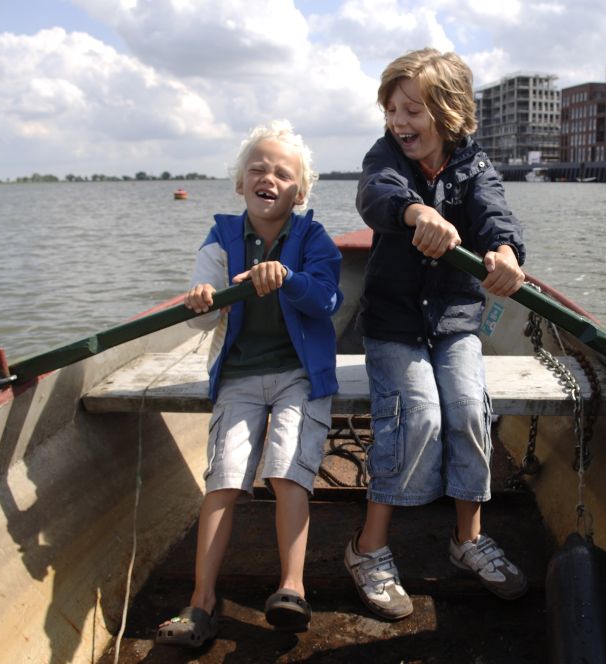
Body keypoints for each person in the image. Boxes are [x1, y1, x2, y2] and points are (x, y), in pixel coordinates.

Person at [345, 48, 528, 620]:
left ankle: (467, 539)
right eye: (392, 110)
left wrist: (504, 253)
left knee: (469, 408)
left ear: (448, 113)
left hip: (454, 319)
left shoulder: (475, 165)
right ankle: (367, 547)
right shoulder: (385, 156)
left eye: (412, 110)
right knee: (418, 414)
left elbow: (496, 215)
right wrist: (416, 213)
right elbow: (376, 192)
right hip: (394, 322)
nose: (399, 122)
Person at [156, 120, 342, 646]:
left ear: (299, 193)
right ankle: (201, 602)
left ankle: (292, 587)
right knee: (223, 480)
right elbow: (198, 317)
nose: (268, 178)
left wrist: (288, 277)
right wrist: (201, 299)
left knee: (286, 472)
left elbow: (329, 299)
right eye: (258, 169)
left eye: (282, 174)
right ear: (240, 183)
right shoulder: (220, 237)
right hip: (239, 375)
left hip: (299, 376)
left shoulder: (313, 239)